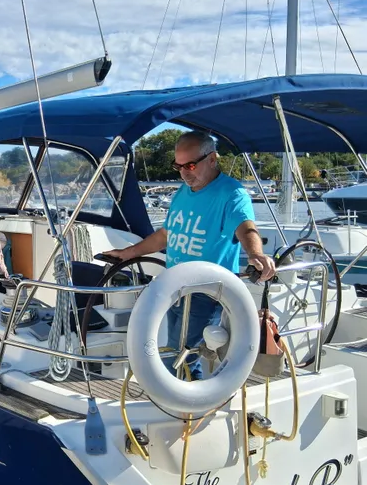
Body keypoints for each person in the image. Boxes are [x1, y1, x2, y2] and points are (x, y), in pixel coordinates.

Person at [105, 130, 276, 380]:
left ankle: (182, 410)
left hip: (204, 294)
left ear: (212, 159)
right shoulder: (182, 193)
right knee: (183, 354)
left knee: (179, 356)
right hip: (173, 287)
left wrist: (256, 254)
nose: (185, 172)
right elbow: (165, 235)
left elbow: (245, 227)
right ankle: (187, 409)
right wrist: (127, 253)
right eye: (179, 166)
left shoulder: (232, 194)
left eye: (191, 165)